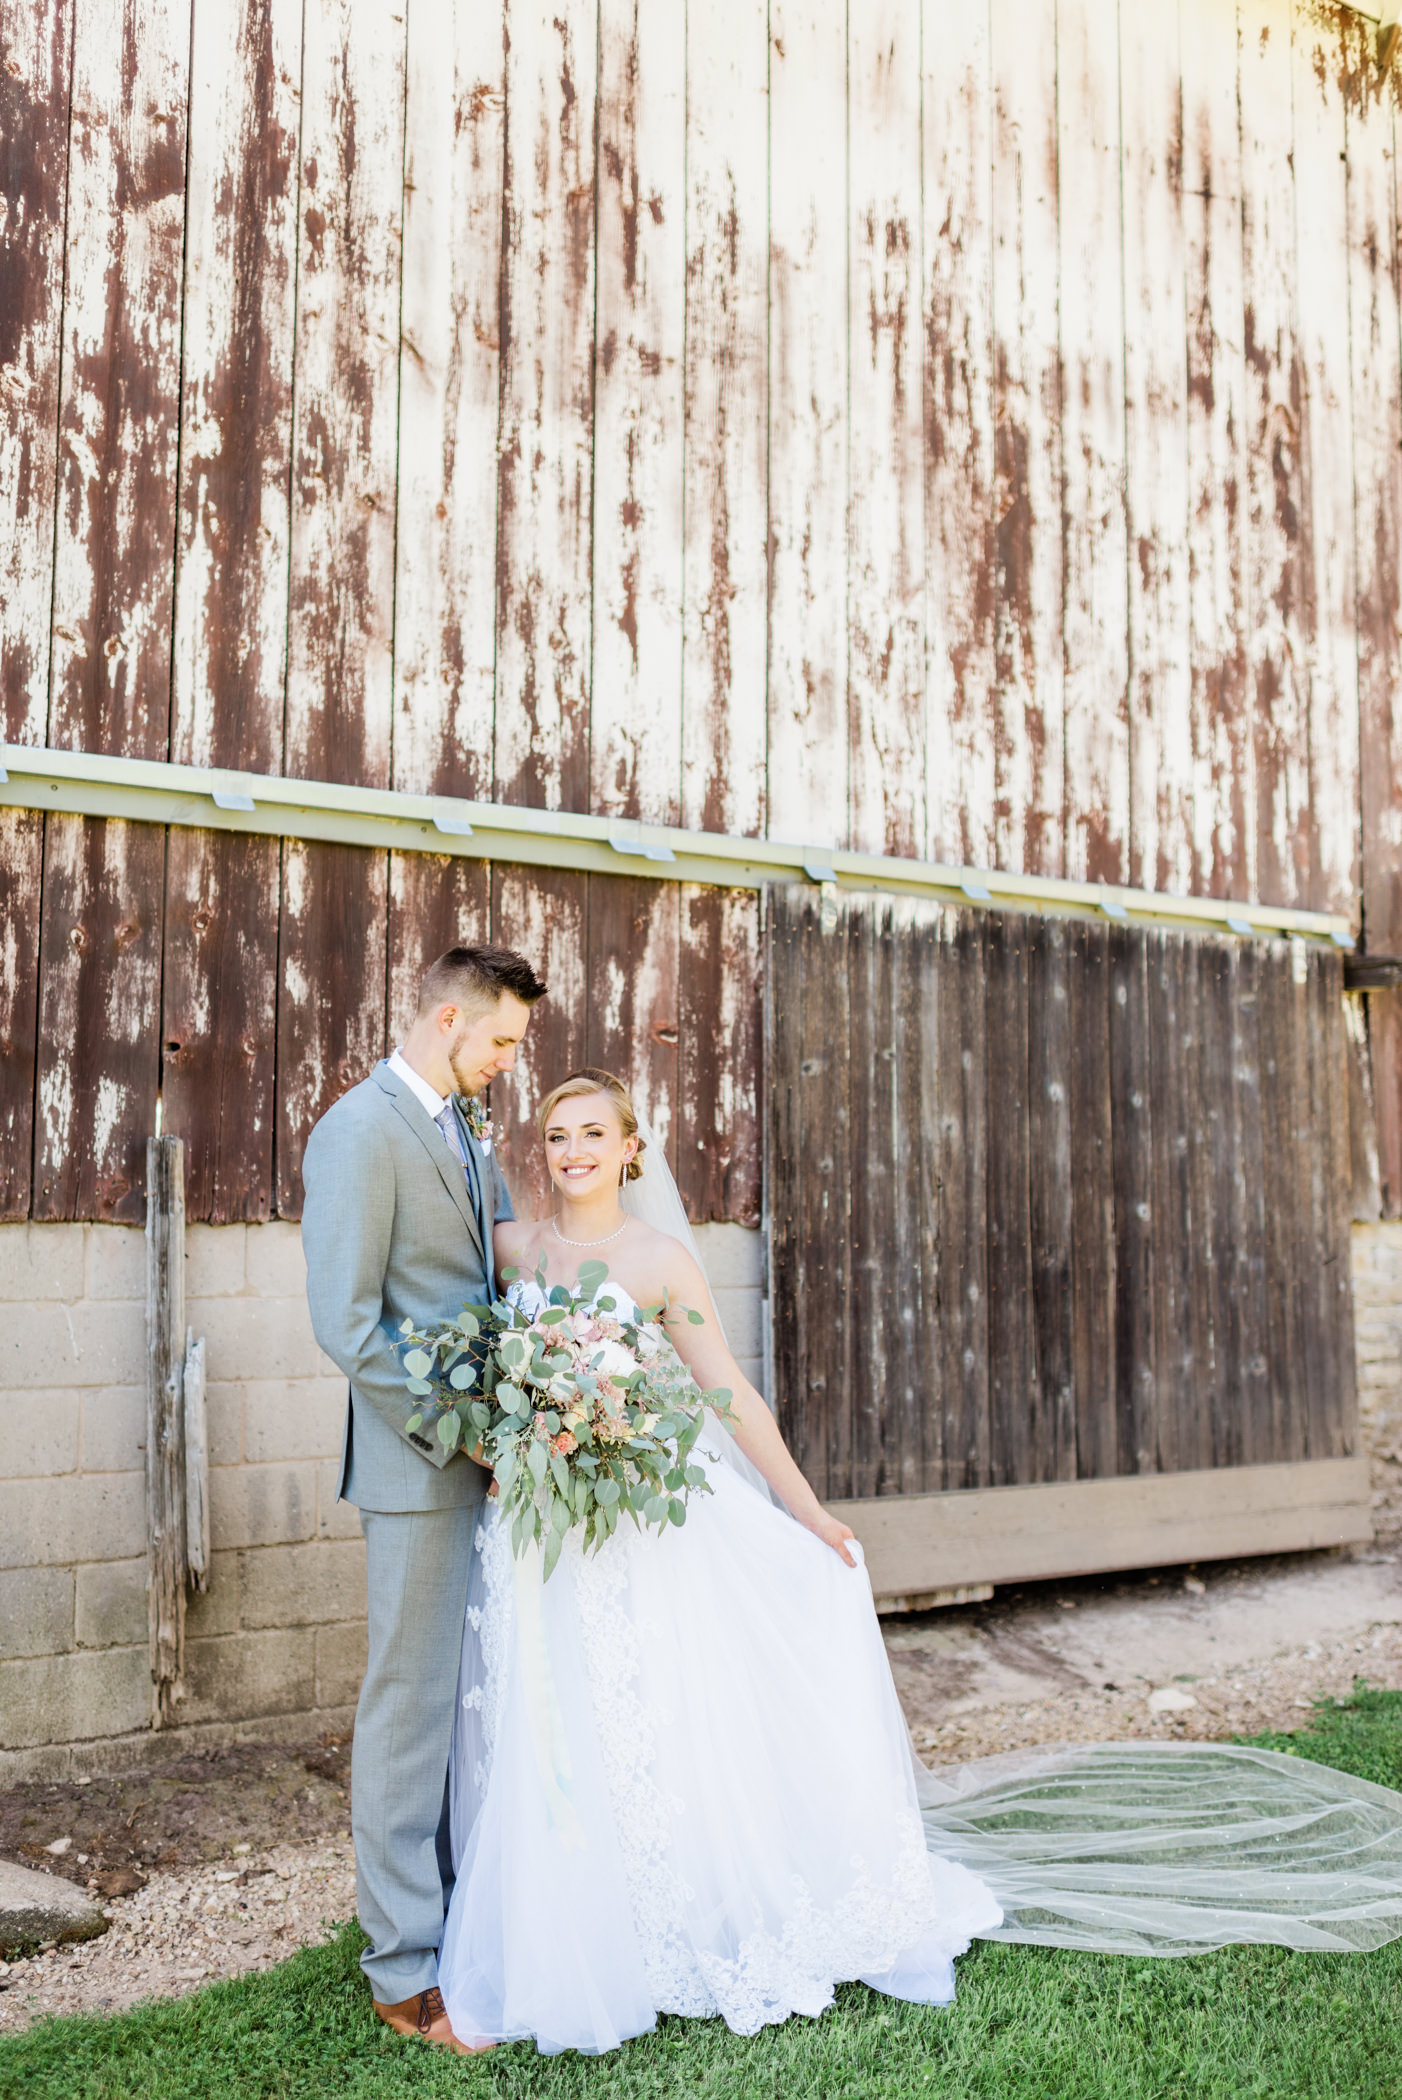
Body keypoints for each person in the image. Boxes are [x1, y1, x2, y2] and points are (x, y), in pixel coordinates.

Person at [435, 1068, 1003, 2054]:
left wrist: (808, 1509)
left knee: (654, 1716)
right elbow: (480, 1361)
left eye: (591, 1135)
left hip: (636, 1529)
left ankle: (679, 1916)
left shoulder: (656, 1261)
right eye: (556, 1136)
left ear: (627, 1149)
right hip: (540, 1529)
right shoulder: (512, 1250)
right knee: (552, 1721)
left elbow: (726, 1393)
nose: (571, 1151)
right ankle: (570, 1926)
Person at [301, 944, 546, 2058]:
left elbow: (490, 1282)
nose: (507, 1063)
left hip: (488, 1458)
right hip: (418, 1471)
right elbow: (349, 1327)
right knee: (408, 1711)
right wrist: (476, 1434)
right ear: (447, 1019)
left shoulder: (461, 1126)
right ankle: (402, 1969)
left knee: (470, 1703)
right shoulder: (359, 1131)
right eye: (500, 1041)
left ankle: (461, 1921)